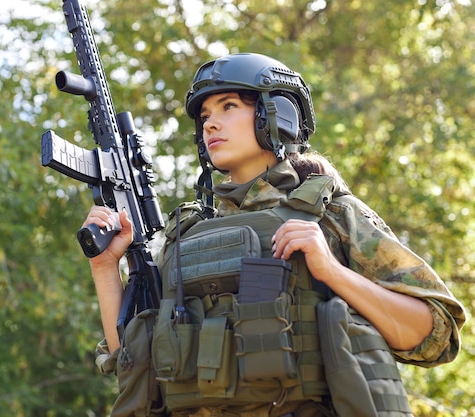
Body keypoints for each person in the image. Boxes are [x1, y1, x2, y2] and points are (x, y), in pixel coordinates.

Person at [83, 53, 466, 417]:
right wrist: (104, 267)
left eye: (229, 106)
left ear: (276, 115)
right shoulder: (183, 237)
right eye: (205, 115)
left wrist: (331, 271)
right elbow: (131, 363)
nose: (210, 124)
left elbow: (434, 334)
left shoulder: (331, 215)